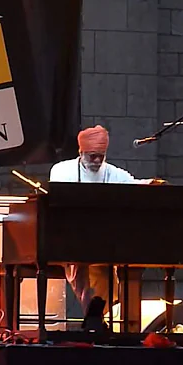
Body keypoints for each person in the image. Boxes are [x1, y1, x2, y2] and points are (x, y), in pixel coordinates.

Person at [49, 125, 150, 317]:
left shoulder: (113, 173)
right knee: (80, 264)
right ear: (81, 152)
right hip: (70, 241)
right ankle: (95, 315)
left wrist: (152, 184)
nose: (96, 160)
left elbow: (134, 186)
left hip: (103, 243)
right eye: (92, 156)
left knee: (107, 267)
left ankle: (104, 316)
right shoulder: (62, 170)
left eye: (100, 156)